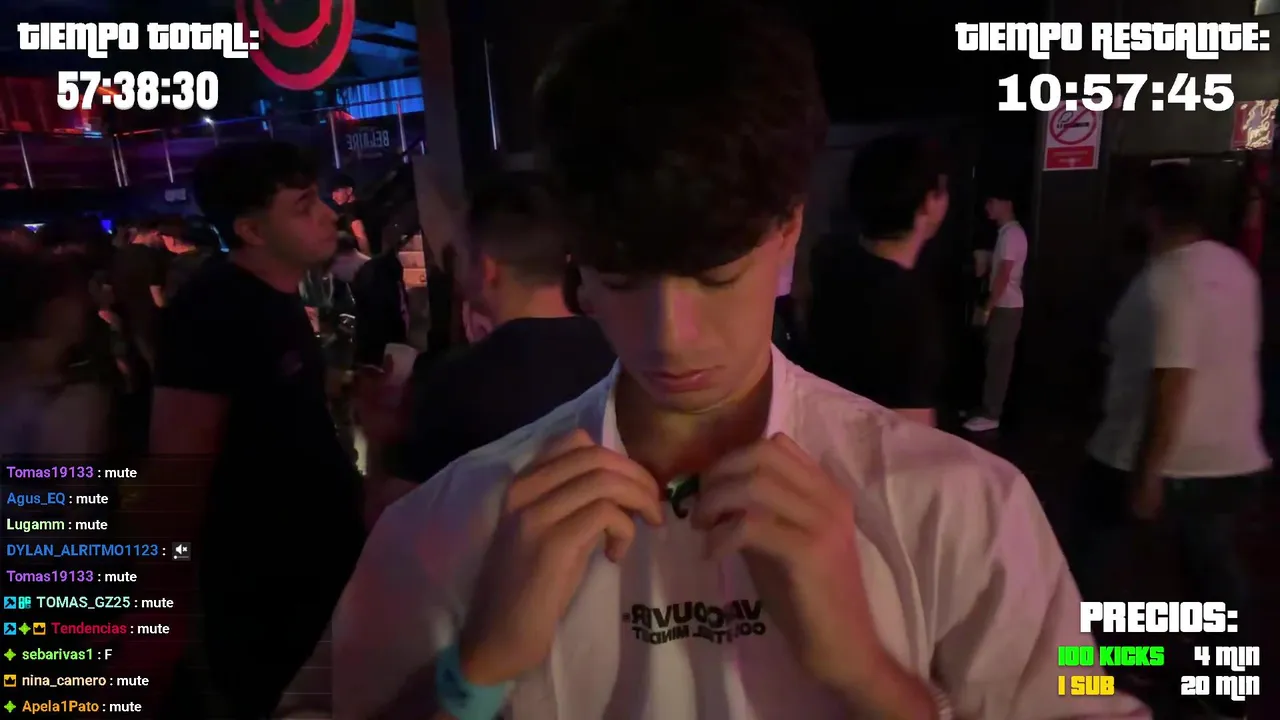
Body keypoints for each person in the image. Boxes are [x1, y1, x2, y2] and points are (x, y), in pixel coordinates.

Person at [331, 3, 1147, 719]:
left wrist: (866, 672)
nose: (672, 336)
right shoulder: (450, 521)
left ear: (788, 227)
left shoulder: (968, 507)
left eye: (718, 275)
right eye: (623, 277)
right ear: (579, 261)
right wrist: (478, 670)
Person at [145, 141, 367, 718]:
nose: (328, 215)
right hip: (265, 587)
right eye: (303, 205)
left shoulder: (278, 295)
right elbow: (178, 465)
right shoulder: (212, 310)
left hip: (318, 566)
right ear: (251, 230)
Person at [1070, 164, 1268, 720]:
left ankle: (1101, 678)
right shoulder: (1234, 268)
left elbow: (1173, 379)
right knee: (1214, 578)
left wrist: (1149, 473)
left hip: (1141, 457)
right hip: (1231, 459)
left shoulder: (1167, 279)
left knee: (1087, 571)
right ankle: (1226, 693)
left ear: (1151, 214)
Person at [371, 171, 615, 504]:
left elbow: (393, 515)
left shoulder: (453, 381)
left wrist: (378, 435)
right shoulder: (621, 352)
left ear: (486, 268)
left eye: (461, 254)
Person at [806, 134, 949, 427]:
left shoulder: (831, 268)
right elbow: (910, 436)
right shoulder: (907, 308)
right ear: (928, 203)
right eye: (943, 191)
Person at [963, 189, 1028, 433]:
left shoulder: (1012, 234)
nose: (987, 207)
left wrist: (987, 307)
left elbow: (1003, 275)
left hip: (1006, 307)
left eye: (992, 201)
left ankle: (992, 414)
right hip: (1004, 305)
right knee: (992, 359)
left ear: (1006, 203)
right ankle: (986, 408)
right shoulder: (1006, 234)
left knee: (998, 362)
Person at [108, 216, 171, 367]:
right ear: (155, 233)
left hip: (126, 320)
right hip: (151, 321)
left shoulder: (117, 255)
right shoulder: (155, 257)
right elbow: (157, 296)